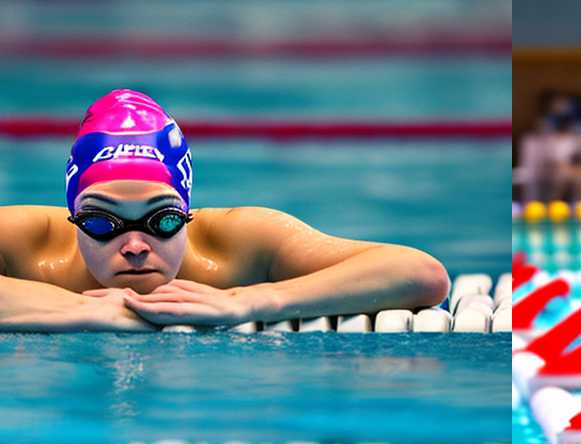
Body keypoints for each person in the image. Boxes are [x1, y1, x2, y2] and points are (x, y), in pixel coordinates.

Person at [0, 89, 449, 333]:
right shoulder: (28, 244)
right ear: (72, 216)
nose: (135, 247)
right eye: (101, 222)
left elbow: (421, 274)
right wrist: (88, 311)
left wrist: (248, 301)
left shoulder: (239, 244)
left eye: (163, 220)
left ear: (188, 212)